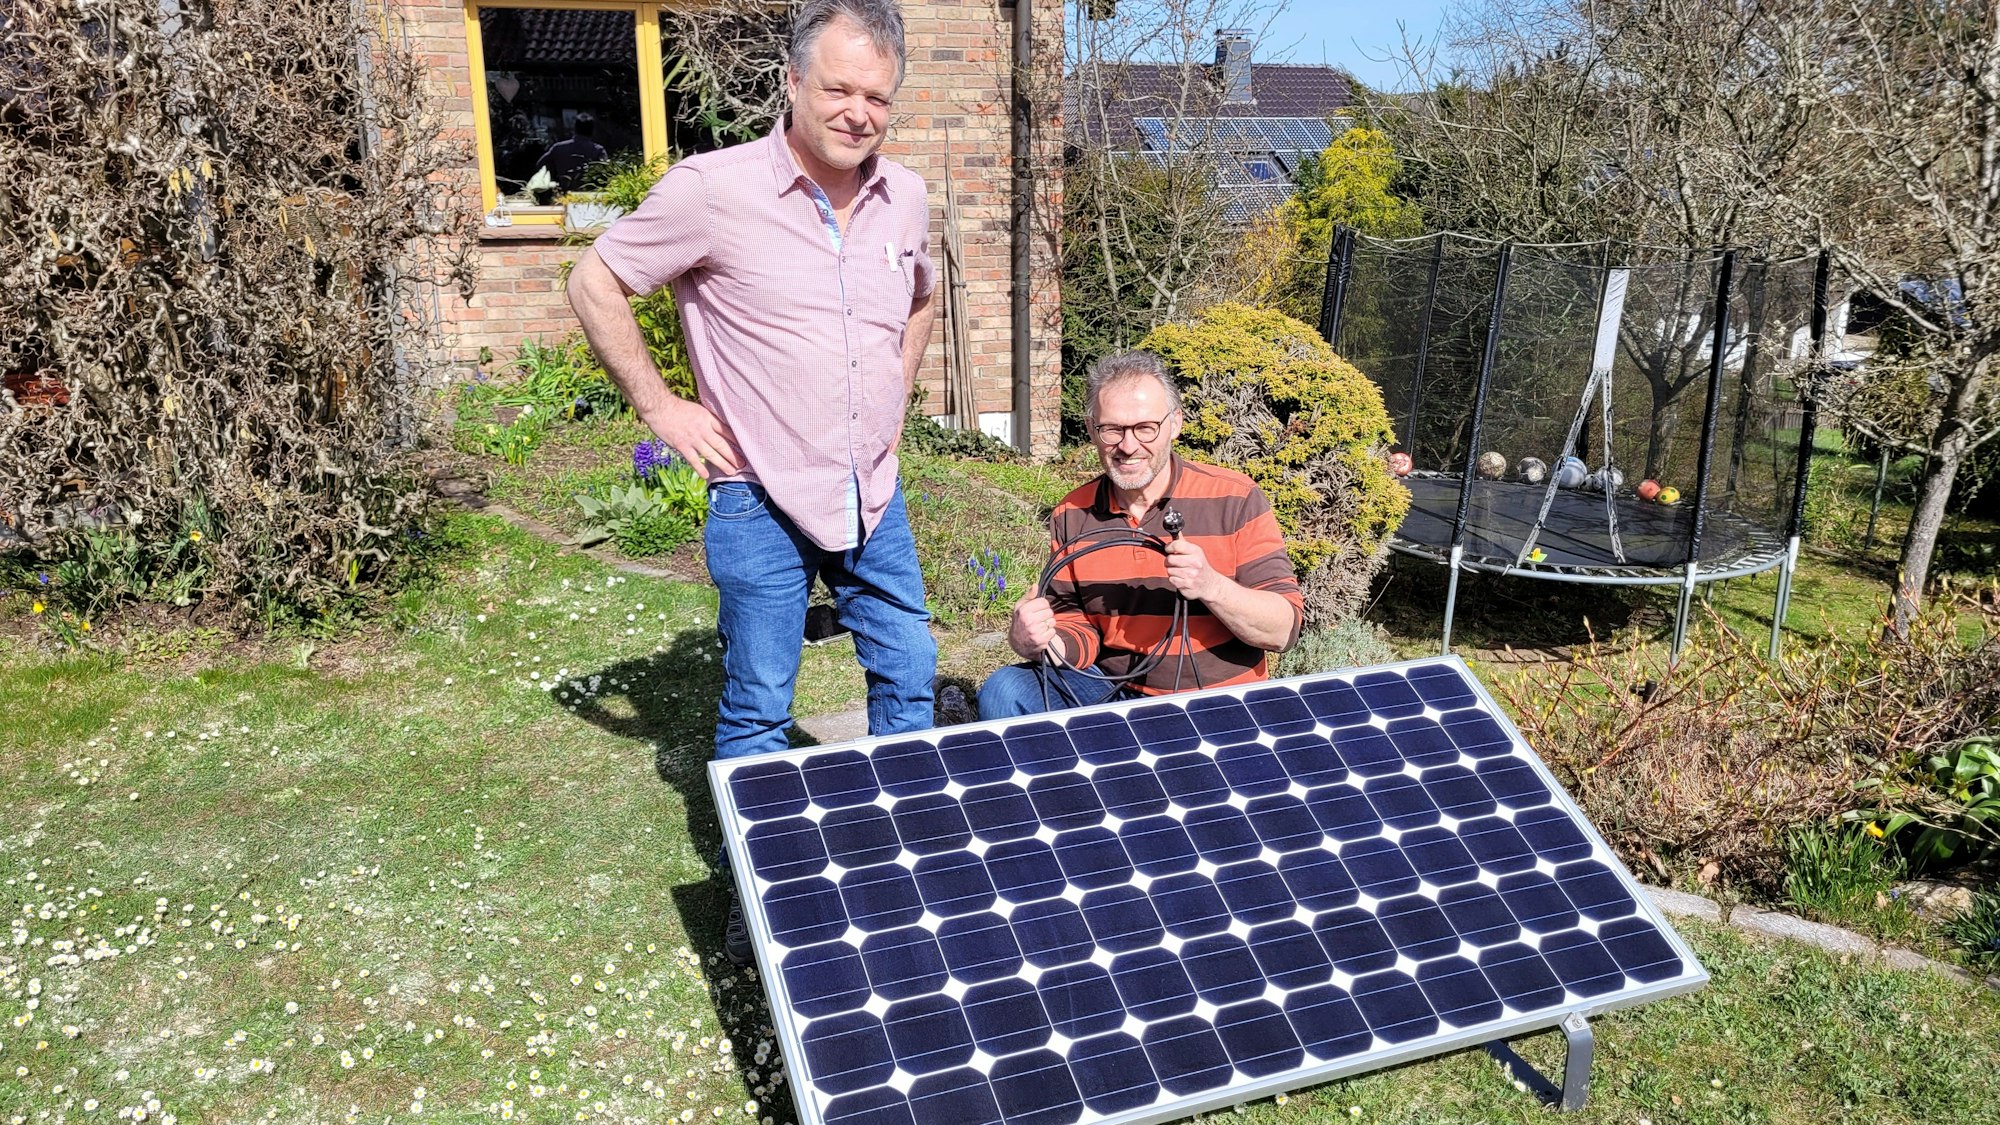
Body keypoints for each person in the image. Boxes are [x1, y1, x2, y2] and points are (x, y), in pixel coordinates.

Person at [566, 0, 937, 962]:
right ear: (793, 85)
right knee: (760, 703)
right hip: (760, 496)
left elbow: (922, 300)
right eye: (841, 90)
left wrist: (894, 397)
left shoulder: (907, 196)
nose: (860, 113)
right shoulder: (712, 190)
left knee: (908, 673)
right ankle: (763, 897)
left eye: (878, 98)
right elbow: (595, 282)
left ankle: (900, 864)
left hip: (874, 492)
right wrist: (661, 410)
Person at [979, 352, 1303, 718]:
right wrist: (1043, 641)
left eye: (1145, 428)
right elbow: (1075, 624)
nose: (1128, 446)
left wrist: (1212, 586)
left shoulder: (1234, 497)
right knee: (1006, 690)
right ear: (1091, 430)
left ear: (1175, 424)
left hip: (1220, 700)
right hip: (1117, 693)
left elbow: (1283, 629)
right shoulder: (1072, 514)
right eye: (1112, 430)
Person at [535, 112, 608, 193]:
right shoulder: (598, 150)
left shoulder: (558, 148)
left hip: (562, 194)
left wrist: (553, 180)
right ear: (592, 130)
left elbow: (540, 166)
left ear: (575, 129)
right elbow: (606, 174)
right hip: (590, 197)